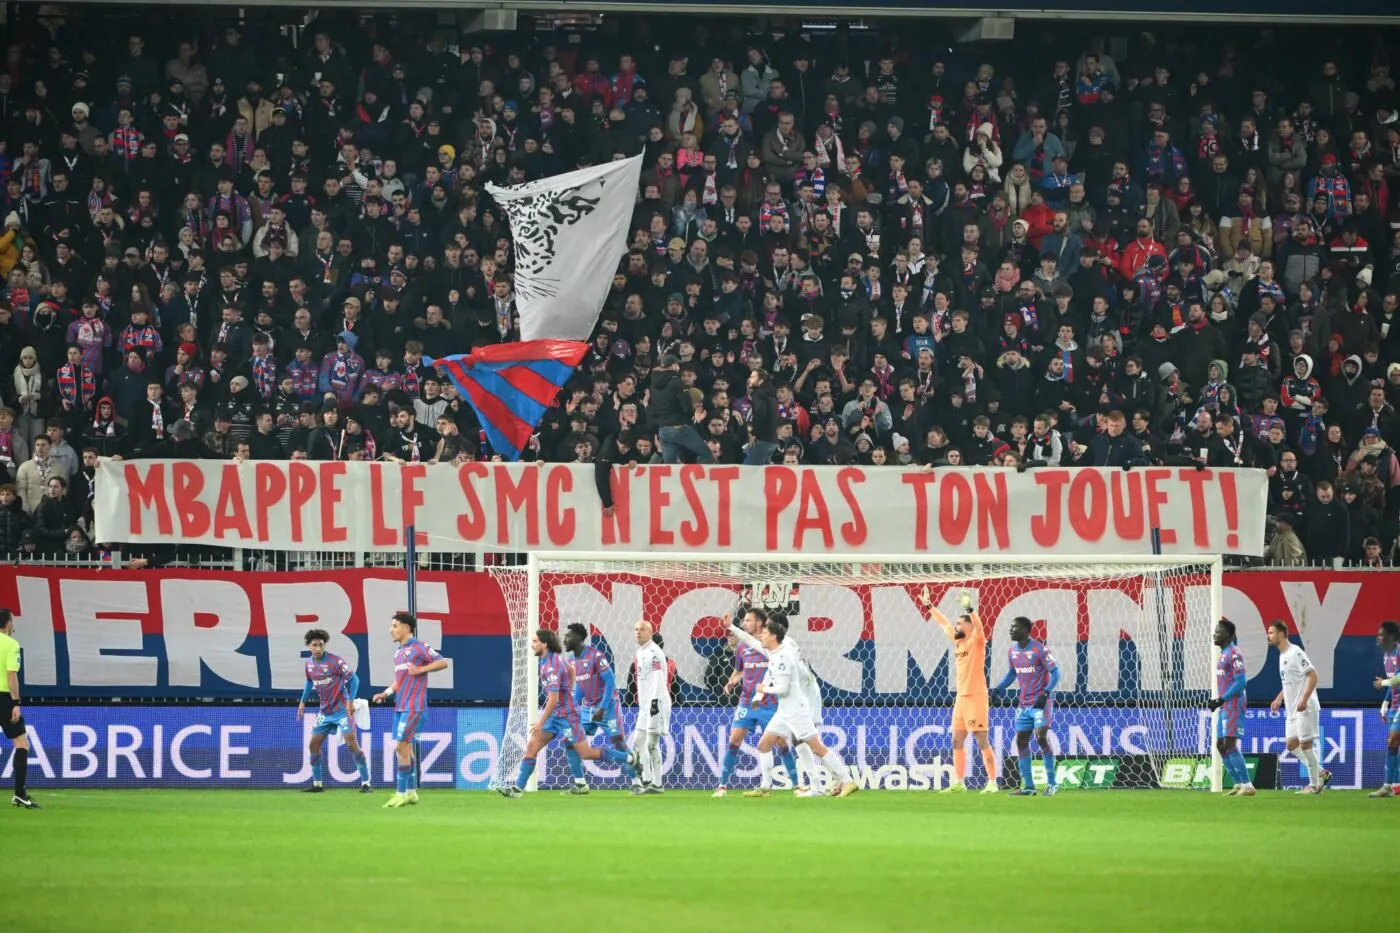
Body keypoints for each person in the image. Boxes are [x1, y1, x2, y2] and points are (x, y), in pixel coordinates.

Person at [731, 611, 858, 798]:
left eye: (765, 630)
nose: (761, 633)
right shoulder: (776, 650)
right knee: (765, 744)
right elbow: (758, 651)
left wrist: (763, 689)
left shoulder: (784, 652)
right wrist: (730, 627)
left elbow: (781, 682)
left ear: (775, 632)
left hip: (800, 700)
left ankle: (841, 781)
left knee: (812, 745)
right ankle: (766, 787)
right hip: (786, 705)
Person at [499, 629, 637, 798]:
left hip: (567, 717)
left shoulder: (552, 666)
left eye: (535, 642)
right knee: (532, 746)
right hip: (554, 716)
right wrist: (570, 689)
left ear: (545, 644)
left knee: (585, 753)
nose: (532, 645)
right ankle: (517, 789)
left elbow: (553, 699)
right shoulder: (551, 661)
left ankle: (629, 758)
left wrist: (541, 722)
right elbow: (571, 670)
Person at [917, 587, 998, 793]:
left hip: (976, 697)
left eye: (960, 623)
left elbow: (980, 628)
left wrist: (970, 609)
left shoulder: (976, 641)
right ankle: (959, 783)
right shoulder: (958, 641)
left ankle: (992, 782)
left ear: (969, 626)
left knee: (981, 738)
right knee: (956, 739)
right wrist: (929, 606)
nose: (955, 625)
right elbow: (943, 623)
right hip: (961, 698)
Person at [715, 606, 800, 798]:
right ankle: (722, 786)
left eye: (748, 620)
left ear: (760, 623)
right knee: (734, 740)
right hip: (747, 701)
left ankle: (796, 785)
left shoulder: (770, 644)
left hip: (769, 702)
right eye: (743, 621)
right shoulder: (742, 647)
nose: (745, 623)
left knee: (780, 742)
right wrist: (731, 682)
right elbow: (740, 671)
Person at [371, 612, 449, 809]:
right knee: (406, 749)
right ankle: (412, 792)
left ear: (406, 628)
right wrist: (386, 693)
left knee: (400, 747)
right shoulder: (399, 653)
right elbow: (401, 680)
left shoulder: (419, 647)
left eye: (395, 626)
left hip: (414, 707)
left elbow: (442, 662)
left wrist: (421, 670)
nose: (391, 630)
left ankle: (401, 793)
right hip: (400, 706)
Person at [296, 628, 370, 794]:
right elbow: (309, 682)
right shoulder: (309, 664)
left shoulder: (335, 661)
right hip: (325, 712)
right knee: (313, 744)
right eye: (314, 645)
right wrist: (302, 702)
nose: (318, 648)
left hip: (342, 708)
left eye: (321, 645)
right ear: (309, 646)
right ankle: (317, 784)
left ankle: (366, 782)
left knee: (351, 742)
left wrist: (351, 701)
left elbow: (354, 679)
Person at [993, 615, 1061, 796]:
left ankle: (1052, 783)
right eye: (1011, 626)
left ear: (1025, 630)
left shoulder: (1040, 649)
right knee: (1021, 741)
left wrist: (1046, 693)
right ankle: (1029, 787)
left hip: (1041, 702)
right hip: (1023, 705)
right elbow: (1012, 673)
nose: (1011, 630)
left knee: (1040, 737)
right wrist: (999, 688)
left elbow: (1056, 673)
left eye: (1014, 627)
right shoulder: (1012, 651)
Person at [560, 622, 625, 796]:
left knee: (618, 742)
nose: (565, 639)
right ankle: (580, 784)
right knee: (570, 741)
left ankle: (637, 782)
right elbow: (581, 685)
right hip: (587, 707)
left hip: (607, 705)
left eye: (568, 636)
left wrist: (602, 708)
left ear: (579, 638)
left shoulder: (595, 655)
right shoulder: (571, 660)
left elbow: (610, 681)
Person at [1266, 619, 1329, 794]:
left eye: (1271, 632)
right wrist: (1279, 698)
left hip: (1305, 706)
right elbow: (1290, 682)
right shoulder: (1282, 656)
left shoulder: (1295, 652)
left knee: (1305, 745)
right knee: (1291, 745)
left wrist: (1304, 699)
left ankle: (1315, 785)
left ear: (1282, 634)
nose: (1268, 636)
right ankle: (1321, 773)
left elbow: (1313, 675)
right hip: (1292, 709)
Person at [1206, 618, 1255, 796]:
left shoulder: (1234, 653)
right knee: (1220, 745)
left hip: (1234, 704)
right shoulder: (1224, 653)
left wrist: (1221, 699)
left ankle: (1248, 785)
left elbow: (1241, 682)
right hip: (1226, 704)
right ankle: (1237, 783)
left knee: (1229, 743)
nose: (1214, 634)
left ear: (1228, 634)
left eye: (1218, 631)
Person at [0, 608, 37, 808]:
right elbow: (11, 674)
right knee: (21, 745)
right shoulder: (10, 644)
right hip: (4, 698)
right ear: (8, 623)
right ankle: (20, 794)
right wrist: (16, 702)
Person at [631, 619, 671, 794]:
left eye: (642, 629)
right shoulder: (641, 652)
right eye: (636, 629)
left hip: (656, 704)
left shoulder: (654, 652)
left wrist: (654, 702)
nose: (637, 632)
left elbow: (658, 679)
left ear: (650, 632)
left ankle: (657, 782)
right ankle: (645, 779)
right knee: (638, 742)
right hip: (645, 706)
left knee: (651, 744)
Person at [1372, 620, 1400, 798]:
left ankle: (1389, 786)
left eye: (1381, 634)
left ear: (1390, 637)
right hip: (1395, 705)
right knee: (1393, 745)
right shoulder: (1386, 656)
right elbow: (1393, 685)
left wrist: (1383, 682)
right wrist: (1384, 704)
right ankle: (1391, 785)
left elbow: (1397, 679)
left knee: (1393, 741)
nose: (1378, 637)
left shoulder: (1399, 652)